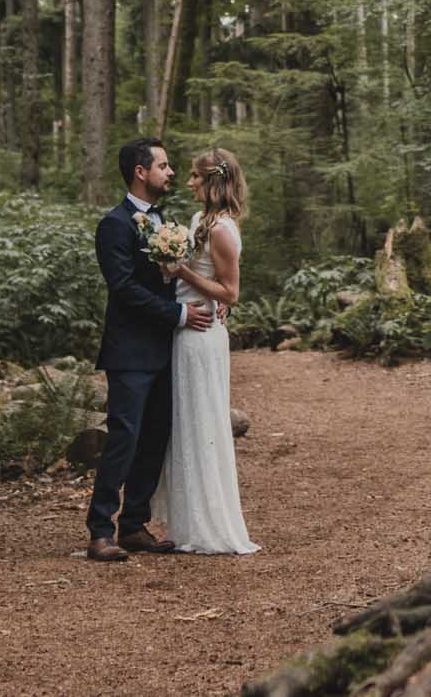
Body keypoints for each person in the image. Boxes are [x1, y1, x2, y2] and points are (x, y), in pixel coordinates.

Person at [86, 140, 215, 562]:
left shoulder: (165, 224)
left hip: (167, 350)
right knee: (124, 438)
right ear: (140, 172)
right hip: (129, 352)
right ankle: (100, 531)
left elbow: (175, 277)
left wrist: (212, 300)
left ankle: (134, 524)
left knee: (156, 439)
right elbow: (123, 289)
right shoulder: (115, 225)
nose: (172, 172)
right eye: (163, 165)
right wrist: (179, 314)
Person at [157, 147, 257, 554]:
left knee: (201, 423)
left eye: (196, 177)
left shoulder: (222, 230)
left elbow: (230, 292)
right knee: (184, 425)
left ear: (212, 181)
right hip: (185, 330)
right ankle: (186, 522)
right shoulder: (201, 221)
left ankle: (210, 524)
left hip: (202, 337)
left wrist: (179, 270)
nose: (189, 182)